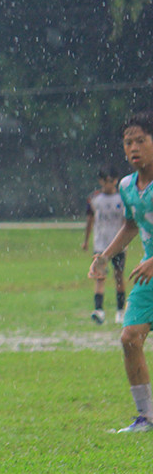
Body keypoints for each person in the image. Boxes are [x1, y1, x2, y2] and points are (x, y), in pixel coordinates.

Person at [89, 110, 153, 432]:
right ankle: (146, 417)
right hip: (148, 273)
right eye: (128, 142)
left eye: (140, 140)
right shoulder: (128, 186)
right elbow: (130, 225)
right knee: (130, 338)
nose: (133, 148)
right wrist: (104, 256)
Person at [83, 167, 126, 324]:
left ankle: (120, 311)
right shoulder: (94, 199)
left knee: (119, 276)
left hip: (118, 244)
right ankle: (99, 310)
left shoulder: (122, 198)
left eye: (112, 181)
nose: (109, 184)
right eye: (106, 181)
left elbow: (127, 222)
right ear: (101, 181)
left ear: (116, 180)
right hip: (101, 245)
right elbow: (90, 220)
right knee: (100, 276)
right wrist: (86, 240)